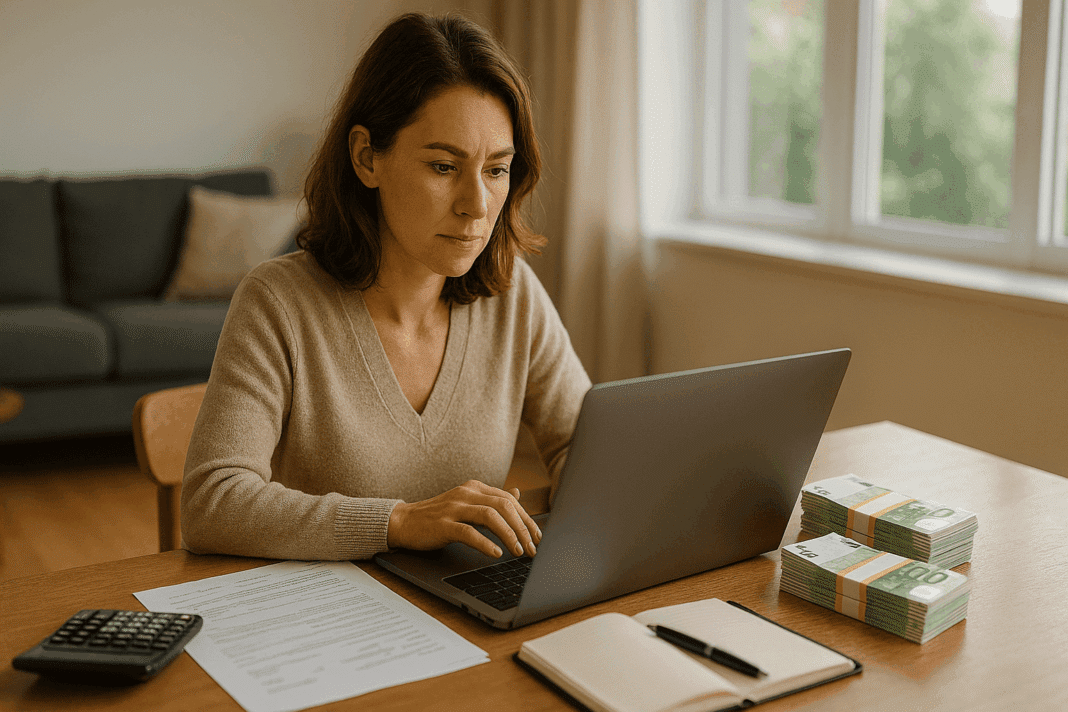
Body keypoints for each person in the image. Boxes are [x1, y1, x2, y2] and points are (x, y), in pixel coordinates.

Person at [180, 12, 591, 564]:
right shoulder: (277, 302)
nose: (476, 204)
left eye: (497, 170)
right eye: (444, 167)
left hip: (466, 610)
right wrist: (397, 521)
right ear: (366, 157)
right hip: (331, 624)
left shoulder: (511, 291)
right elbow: (212, 503)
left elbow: (583, 445)